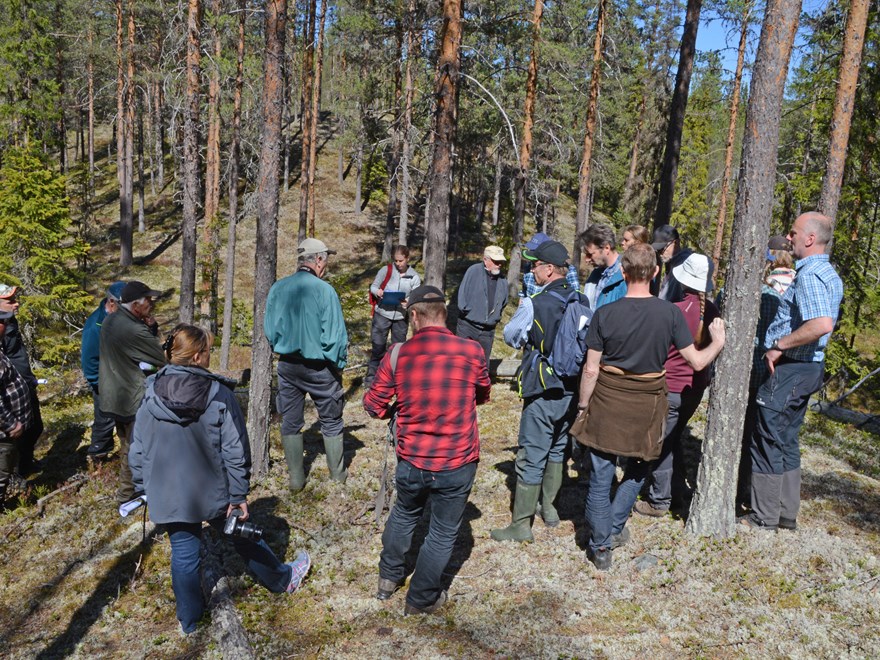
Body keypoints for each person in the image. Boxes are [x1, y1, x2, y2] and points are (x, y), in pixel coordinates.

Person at [130, 324, 311, 635]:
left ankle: (188, 622)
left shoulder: (150, 394)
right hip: (213, 491)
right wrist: (239, 494)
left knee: (184, 554)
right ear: (199, 356)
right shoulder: (219, 394)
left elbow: (138, 449)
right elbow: (235, 450)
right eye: (209, 351)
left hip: (169, 492)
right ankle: (282, 580)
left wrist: (143, 487)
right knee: (240, 535)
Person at [574, 243, 725, 569]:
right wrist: (719, 343)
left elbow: (590, 369)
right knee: (638, 469)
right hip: (648, 402)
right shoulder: (669, 313)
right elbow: (697, 361)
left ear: (625, 273)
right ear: (656, 272)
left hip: (608, 399)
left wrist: (583, 405)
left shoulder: (605, 313)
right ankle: (612, 530)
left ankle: (601, 546)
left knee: (601, 476)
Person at [364, 286, 490, 615]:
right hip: (457, 459)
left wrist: (393, 409)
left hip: (412, 457)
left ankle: (387, 579)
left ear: (416, 316)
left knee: (404, 515)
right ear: (443, 315)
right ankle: (420, 600)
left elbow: (372, 405)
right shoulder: (472, 350)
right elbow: (483, 392)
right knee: (443, 532)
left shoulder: (398, 354)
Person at [741, 212, 843, 532]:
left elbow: (820, 324)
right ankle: (786, 513)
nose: (789, 237)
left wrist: (779, 345)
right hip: (808, 368)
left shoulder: (811, 275)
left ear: (810, 239)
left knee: (768, 437)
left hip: (793, 368)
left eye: (794, 232)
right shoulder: (829, 274)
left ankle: (764, 516)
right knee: (786, 439)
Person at [491, 240, 584, 542]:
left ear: (548, 269)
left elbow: (511, 336)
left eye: (535, 265)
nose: (532, 270)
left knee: (531, 455)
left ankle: (520, 526)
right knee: (558, 449)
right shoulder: (581, 299)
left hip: (543, 387)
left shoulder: (534, 302)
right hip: (572, 388)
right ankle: (551, 509)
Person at [635, 253, 720, 517]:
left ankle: (659, 500)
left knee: (662, 443)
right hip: (694, 388)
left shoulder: (674, 310)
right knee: (673, 437)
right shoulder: (713, 310)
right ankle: (676, 492)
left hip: (670, 385)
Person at [265, 238, 349, 491]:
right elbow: (334, 337)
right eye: (326, 259)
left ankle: (296, 480)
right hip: (320, 367)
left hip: (288, 366)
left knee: (291, 421)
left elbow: (270, 331)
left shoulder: (278, 288)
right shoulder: (325, 291)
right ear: (318, 260)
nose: (326, 265)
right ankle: (337, 477)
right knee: (332, 420)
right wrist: (338, 367)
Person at [737, 236, 795, 506]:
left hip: (760, 365)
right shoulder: (796, 281)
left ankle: (745, 488)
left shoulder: (768, 288)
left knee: (750, 430)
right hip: (784, 369)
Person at [99, 280, 167, 504]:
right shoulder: (133, 329)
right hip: (131, 397)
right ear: (136, 305)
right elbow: (162, 359)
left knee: (128, 446)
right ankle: (129, 496)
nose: (151, 304)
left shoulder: (112, 320)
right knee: (135, 448)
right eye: (148, 300)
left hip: (113, 395)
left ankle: (132, 491)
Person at [0, 284, 44, 477]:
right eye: (9, 301)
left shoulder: (10, 322)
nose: (16, 304)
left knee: (34, 427)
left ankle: (24, 466)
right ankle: (17, 472)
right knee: (16, 437)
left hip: (24, 386)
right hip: (9, 397)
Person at [81, 281, 126, 463]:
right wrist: (100, 385)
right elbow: (89, 361)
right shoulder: (95, 326)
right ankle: (98, 455)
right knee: (104, 419)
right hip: (105, 382)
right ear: (112, 302)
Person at [366, 245, 421, 384]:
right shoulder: (386, 270)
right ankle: (372, 379)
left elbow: (416, 296)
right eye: (396, 261)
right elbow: (373, 287)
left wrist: (408, 302)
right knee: (378, 347)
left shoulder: (414, 276)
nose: (398, 264)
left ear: (407, 259)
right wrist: (378, 292)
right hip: (382, 314)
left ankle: (396, 379)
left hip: (400, 317)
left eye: (401, 261)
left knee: (398, 350)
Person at [0, 311, 34, 507]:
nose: (5, 325)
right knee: (2, 472)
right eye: (2, 322)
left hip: (10, 430)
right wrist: (11, 423)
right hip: (5, 431)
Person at [456, 246, 509, 363]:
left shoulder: (502, 279)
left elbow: (504, 301)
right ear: (486, 260)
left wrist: (495, 317)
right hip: (468, 326)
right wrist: (467, 311)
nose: (499, 264)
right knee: (461, 362)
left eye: (501, 262)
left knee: (482, 364)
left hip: (488, 330)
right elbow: (462, 294)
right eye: (496, 261)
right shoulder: (473, 271)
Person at [581, 224, 627, 310]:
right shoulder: (595, 274)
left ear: (606, 248)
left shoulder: (626, 276)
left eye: (590, 254)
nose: (587, 260)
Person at [651, 225, 693, 302]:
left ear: (676, 243)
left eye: (662, 249)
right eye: (657, 250)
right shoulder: (672, 263)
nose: (660, 254)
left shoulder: (684, 266)